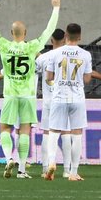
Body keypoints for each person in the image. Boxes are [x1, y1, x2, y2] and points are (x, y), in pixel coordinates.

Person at [0, 0, 60, 178]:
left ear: (11, 32)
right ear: (25, 32)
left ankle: (8, 158)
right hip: (28, 95)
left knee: (4, 127)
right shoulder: (32, 47)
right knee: (25, 129)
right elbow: (49, 30)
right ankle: (22, 170)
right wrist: (56, 8)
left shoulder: (3, 45)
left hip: (10, 94)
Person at [42, 23, 96, 182]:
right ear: (79, 37)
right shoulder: (86, 54)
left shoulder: (55, 53)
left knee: (53, 132)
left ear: (66, 35)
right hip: (77, 98)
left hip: (59, 97)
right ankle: (73, 172)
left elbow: (49, 77)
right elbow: (87, 79)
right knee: (77, 134)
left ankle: (51, 163)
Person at [33, 28, 66, 177]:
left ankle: (45, 168)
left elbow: (33, 73)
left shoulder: (43, 58)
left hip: (48, 100)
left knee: (47, 133)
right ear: (64, 39)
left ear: (51, 40)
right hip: (65, 99)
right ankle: (68, 170)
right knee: (67, 133)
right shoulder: (69, 55)